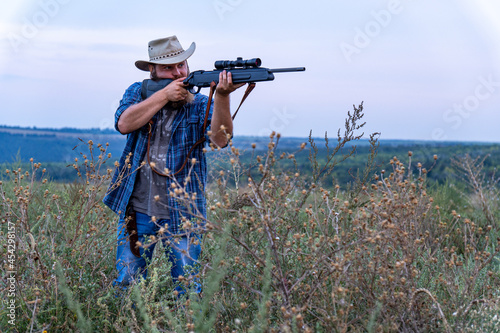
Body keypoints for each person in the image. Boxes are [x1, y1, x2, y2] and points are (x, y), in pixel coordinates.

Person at [103, 35, 243, 296]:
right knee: (127, 285)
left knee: (188, 289)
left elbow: (221, 140)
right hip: (137, 209)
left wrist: (222, 95)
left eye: (182, 65)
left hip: (184, 212)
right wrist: (164, 96)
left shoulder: (200, 103)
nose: (178, 72)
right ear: (152, 71)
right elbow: (124, 123)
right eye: (168, 68)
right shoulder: (137, 91)